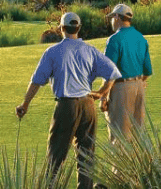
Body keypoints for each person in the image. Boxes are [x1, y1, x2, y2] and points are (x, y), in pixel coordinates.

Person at [16, 12, 121, 189]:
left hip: (67, 106)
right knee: (86, 155)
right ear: (78, 29)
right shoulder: (90, 50)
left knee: (56, 153)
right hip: (88, 105)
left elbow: (37, 81)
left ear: (61, 28)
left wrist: (25, 104)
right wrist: (101, 93)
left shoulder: (53, 52)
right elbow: (113, 72)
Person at [101, 3, 152, 143]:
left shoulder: (114, 40)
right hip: (139, 87)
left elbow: (109, 72)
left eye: (112, 17)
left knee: (119, 135)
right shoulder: (140, 38)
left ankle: (118, 166)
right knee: (137, 135)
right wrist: (139, 81)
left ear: (117, 17)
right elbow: (147, 70)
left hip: (121, 89)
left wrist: (103, 98)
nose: (112, 20)